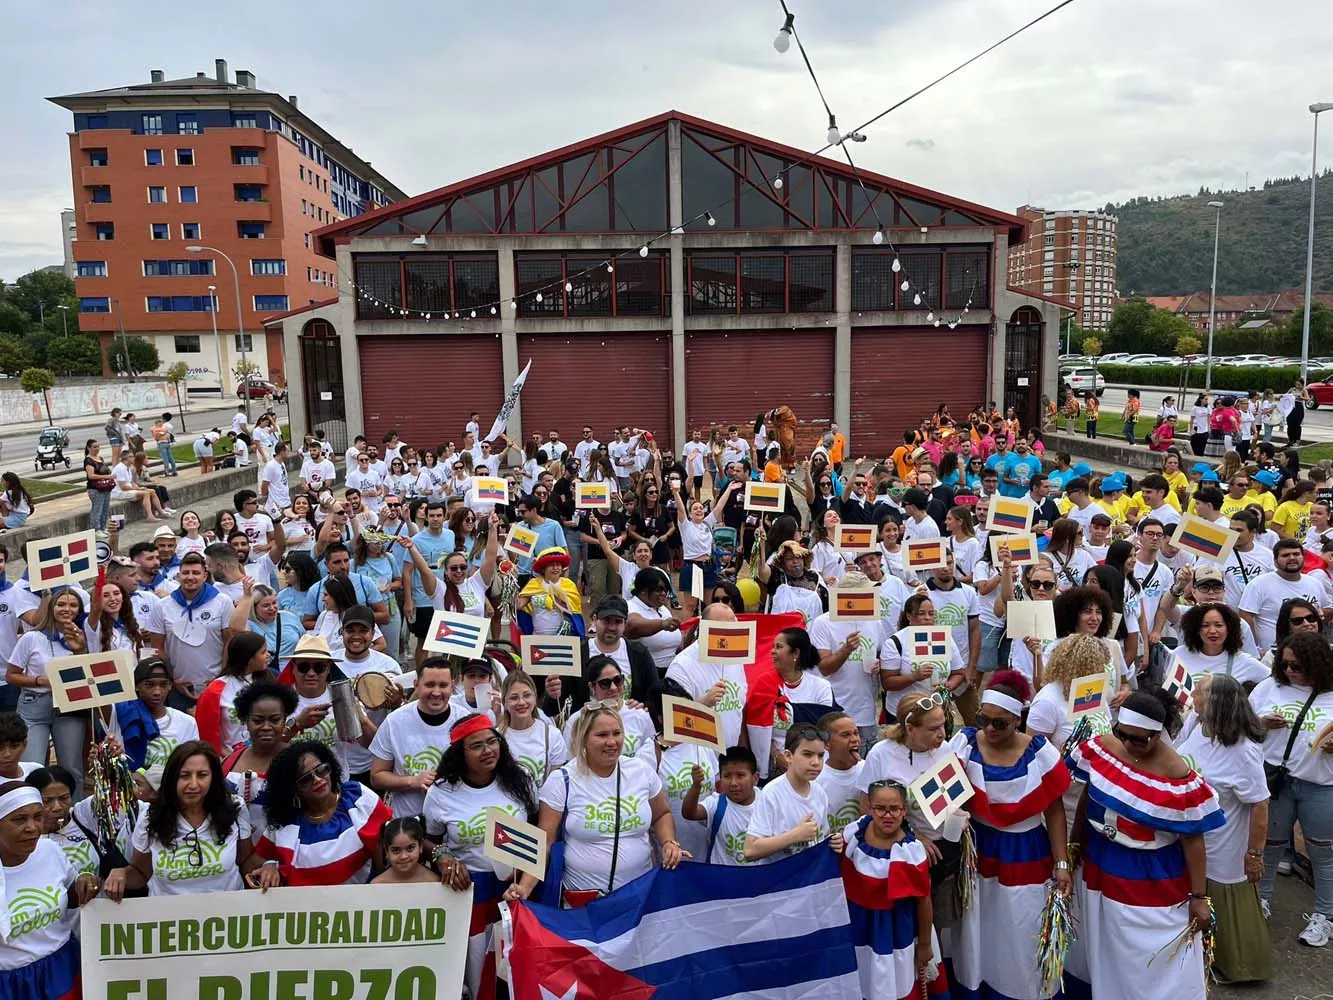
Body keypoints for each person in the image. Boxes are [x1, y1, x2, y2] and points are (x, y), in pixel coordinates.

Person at [954, 672, 1072, 1000]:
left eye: (1000, 724)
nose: (989, 729)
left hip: (1025, 852)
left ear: (1017, 720)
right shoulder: (963, 743)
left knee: (1022, 930)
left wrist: (1061, 863)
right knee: (979, 927)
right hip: (978, 850)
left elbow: (1055, 811)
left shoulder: (1040, 753)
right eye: (984, 720)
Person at [506, 705, 683, 908]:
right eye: (602, 735)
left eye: (617, 733)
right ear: (584, 739)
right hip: (582, 904)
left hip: (639, 897)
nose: (611, 742)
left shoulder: (641, 771)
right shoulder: (562, 780)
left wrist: (669, 842)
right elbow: (544, 842)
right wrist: (524, 888)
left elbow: (662, 814)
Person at [425, 713, 538, 995]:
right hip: (470, 895)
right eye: (477, 746)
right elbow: (429, 841)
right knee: (480, 973)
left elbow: (537, 834)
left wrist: (524, 881)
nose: (488, 750)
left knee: (517, 971)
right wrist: (444, 857)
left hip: (517, 890)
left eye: (492, 742)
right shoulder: (441, 793)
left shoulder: (520, 780)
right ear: (459, 753)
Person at [1175, 674, 1272, 981]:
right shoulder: (1197, 726)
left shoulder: (1243, 752)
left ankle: (1237, 966)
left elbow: (1260, 804)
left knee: (1223, 906)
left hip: (1224, 845)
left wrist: (1254, 854)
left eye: (1200, 692)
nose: (1193, 696)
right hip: (1190, 838)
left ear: (1216, 702)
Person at [103, 741, 275, 900]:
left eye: (202, 775)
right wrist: (122, 874)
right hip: (169, 923)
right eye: (184, 775)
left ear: (213, 778)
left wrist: (268, 866)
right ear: (172, 779)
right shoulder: (151, 817)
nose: (193, 784)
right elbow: (141, 873)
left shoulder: (234, 808)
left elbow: (246, 861)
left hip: (226, 921)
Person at [1251, 631, 1333, 945]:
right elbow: (1242, 725)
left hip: (1322, 786)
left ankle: (1324, 916)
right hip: (1277, 782)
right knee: (1267, 847)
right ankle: (1261, 901)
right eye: (1285, 665)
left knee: (1322, 854)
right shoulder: (1269, 687)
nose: (1289, 671)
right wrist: (1261, 724)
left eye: (1297, 666)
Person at [835, 779, 946, 998]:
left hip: (898, 931)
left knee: (895, 984)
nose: (887, 815)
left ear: (904, 811)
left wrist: (924, 944)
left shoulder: (911, 852)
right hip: (860, 928)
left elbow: (923, 900)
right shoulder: (853, 835)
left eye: (894, 809)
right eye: (880, 809)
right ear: (870, 807)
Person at [0, 781, 99, 998]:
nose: (32, 827)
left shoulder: (49, 850)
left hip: (62, 969)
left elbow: (70, 896)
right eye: (19, 819)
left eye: (37, 817)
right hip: (9, 984)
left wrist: (85, 881)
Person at [254, 741, 391, 887]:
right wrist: (269, 865)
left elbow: (386, 855)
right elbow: (259, 860)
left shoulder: (357, 797)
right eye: (306, 779)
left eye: (321, 770)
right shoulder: (285, 822)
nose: (317, 780)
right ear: (294, 789)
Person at [7, 590, 89, 793]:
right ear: (51, 608)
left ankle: (73, 815)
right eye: (61, 604)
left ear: (79, 610)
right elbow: (11, 675)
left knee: (72, 768)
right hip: (34, 704)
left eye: (72, 605)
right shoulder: (32, 637)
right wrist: (40, 680)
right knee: (33, 767)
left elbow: (88, 674)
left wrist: (80, 649)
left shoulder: (82, 636)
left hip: (68, 706)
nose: (66, 609)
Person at [141, 552, 235, 711]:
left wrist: (220, 677)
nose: (190, 577)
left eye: (196, 573)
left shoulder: (222, 602)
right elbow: (157, 649)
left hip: (216, 684)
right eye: (186, 573)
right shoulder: (162, 606)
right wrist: (172, 679)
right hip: (179, 687)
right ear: (178, 576)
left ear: (205, 576)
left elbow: (229, 643)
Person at [370, 658, 459, 818]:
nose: (436, 692)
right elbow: (377, 777)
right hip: (407, 821)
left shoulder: (464, 720)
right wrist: (413, 781)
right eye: (430, 684)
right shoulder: (394, 721)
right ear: (416, 684)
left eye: (443, 685)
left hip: (451, 818)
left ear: (453, 686)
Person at [745, 723, 830, 861]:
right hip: (781, 878)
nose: (816, 762)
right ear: (788, 756)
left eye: (820, 756)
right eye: (807, 754)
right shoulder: (772, 793)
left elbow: (822, 835)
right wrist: (795, 836)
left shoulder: (819, 791)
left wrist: (832, 841)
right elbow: (750, 849)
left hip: (809, 878)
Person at [222, 681, 297, 831]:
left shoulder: (300, 760)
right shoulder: (229, 762)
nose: (266, 727)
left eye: (275, 720)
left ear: (285, 719)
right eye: (258, 720)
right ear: (246, 721)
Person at [105, 656, 199, 771]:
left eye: (163, 685)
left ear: (170, 686)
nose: (157, 692)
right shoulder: (121, 714)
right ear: (136, 686)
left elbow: (191, 765)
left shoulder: (187, 723)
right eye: (149, 685)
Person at [560, 655, 656, 763]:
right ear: (592, 687)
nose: (613, 688)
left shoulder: (640, 715)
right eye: (605, 683)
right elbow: (569, 760)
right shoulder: (578, 719)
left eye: (618, 680)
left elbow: (652, 755)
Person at [681, 746, 761, 866]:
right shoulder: (716, 803)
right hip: (721, 879)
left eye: (740, 775)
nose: (733, 783)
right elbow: (689, 813)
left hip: (759, 879)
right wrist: (696, 786)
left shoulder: (767, 802)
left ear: (755, 778)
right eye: (727, 776)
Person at [194, 631, 270, 753]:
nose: (268, 655)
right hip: (230, 761)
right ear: (248, 658)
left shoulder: (270, 683)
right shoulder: (215, 690)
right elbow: (206, 734)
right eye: (263, 652)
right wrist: (229, 760)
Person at [1174, 602, 1269, 687]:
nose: (1212, 631)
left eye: (1218, 625)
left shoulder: (1244, 661)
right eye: (1205, 625)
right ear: (1196, 629)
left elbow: (1273, 681)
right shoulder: (1178, 655)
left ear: (1229, 629)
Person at [499, 671, 569, 786]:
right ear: (505, 702)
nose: (521, 702)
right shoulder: (497, 737)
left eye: (527, 695)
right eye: (514, 697)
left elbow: (555, 785)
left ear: (535, 698)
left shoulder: (552, 735)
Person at [625, 568, 681, 674]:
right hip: (647, 673)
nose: (663, 593)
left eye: (665, 590)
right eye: (658, 589)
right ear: (643, 590)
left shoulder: (663, 610)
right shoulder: (630, 606)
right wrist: (662, 624)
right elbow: (632, 626)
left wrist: (692, 629)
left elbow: (679, 647)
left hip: (672, 670)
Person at [371, 817, 438, 885]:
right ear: (386, 851)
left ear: (420, 846)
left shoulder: (434, 882)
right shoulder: (377, 885)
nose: (403, 856)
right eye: (396, 850)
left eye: (410, 848)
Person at [84, 439, 116, 532]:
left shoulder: (100, 458)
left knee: (105, 509)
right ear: (89, 448)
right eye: (94, 447)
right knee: (97, 509)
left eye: (98, 446)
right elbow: (91, 475)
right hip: (95, 488)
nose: (97, 449)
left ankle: (103, 527)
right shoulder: (88, 460)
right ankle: (96, 529)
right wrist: (108, 476)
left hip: (105, 487)